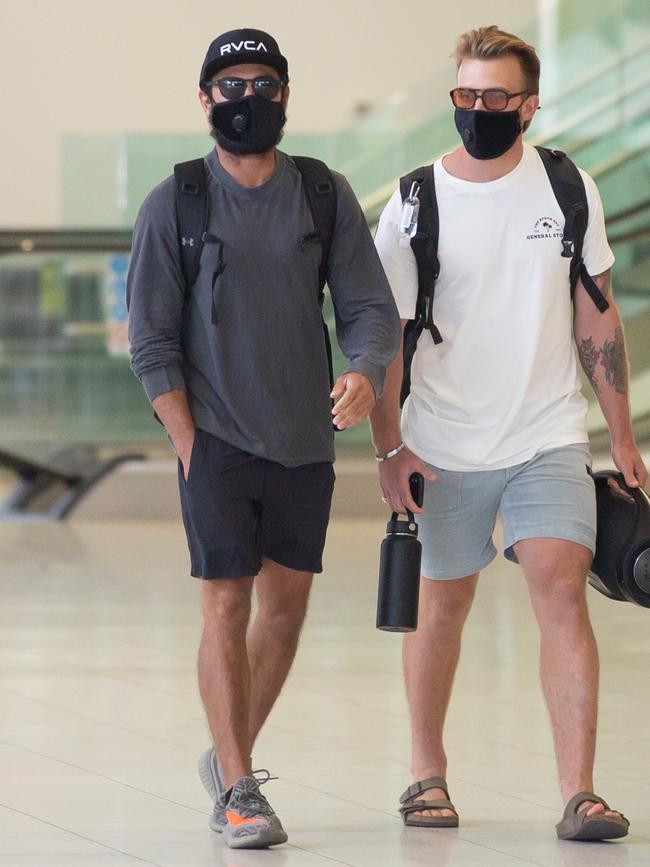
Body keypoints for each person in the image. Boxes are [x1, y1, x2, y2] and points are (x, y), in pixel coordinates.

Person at [371, 25, 647, 842]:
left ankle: (580, 792)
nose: (478, 110)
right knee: (442, 606)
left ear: (529, 104)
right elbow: (381, 333)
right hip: (443, 441)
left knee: (562, 590)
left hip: (547, 432)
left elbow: (595, 310)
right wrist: (390, 448)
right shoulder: (414, 200)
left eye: (496, 97)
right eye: (466, 95)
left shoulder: (568, 187)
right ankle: (425, 773)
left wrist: (623, 435)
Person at [127, 28, 400, 850]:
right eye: (232, 84)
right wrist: (186, 442)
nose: (249, 98)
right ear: (206, 98)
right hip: (213, 440)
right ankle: (241, 788)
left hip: (304, 443)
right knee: (226, 601)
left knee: (283, 612)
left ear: (285, 95)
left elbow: (369, 307)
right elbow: (151, 339)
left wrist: (364, 368)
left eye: (265, 83)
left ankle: (226, 754)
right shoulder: (175, 201)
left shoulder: (322, 192)